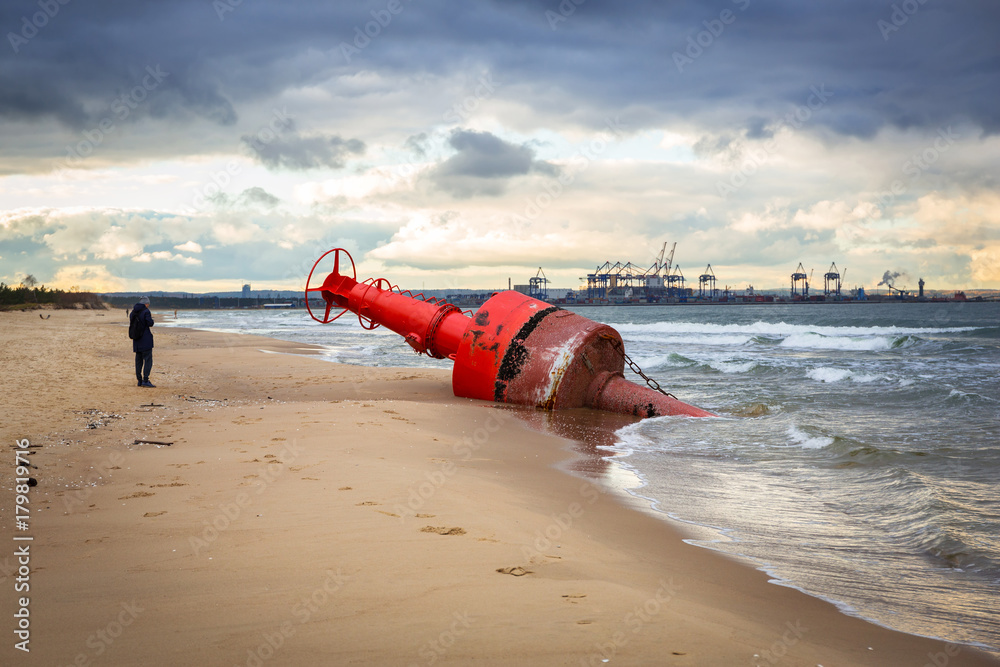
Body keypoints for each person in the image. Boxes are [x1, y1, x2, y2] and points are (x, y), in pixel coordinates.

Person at [130, 296, 155, 387]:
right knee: (148, 360)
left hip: (136, 339)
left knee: (138, 361)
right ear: (146, 304)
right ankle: (145, 379)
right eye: (148, 304)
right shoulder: (146, 311)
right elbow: (150, 323)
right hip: (146, 339)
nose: (148, 305)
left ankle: (139, 380)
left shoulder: (133, 312)